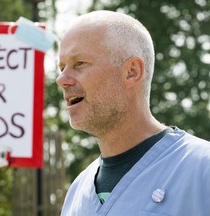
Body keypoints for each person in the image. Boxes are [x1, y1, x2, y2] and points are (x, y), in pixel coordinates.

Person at [56, 10, 210, 216]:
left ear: (132, 71)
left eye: (79, 64)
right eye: (62, 67)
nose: (61, 80)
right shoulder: (77, 193)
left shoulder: (202, 169)